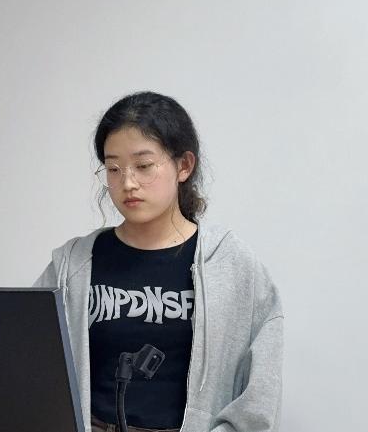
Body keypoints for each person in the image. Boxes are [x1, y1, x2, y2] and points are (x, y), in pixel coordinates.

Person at [33, 91, 284, 432]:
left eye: (144, 166)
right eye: (114, 168)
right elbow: (26, 358)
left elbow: (260, 397)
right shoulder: (73, 264)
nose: (128, 183)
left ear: (184, 166)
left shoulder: (232, 265)